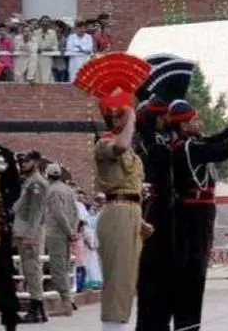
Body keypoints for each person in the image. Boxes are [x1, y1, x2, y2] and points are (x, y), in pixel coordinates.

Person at [72, 52, 155, 331]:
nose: (123, 118)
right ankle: (112, 328)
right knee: (118, 278)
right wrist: (130, 119)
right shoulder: (105, 144)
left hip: (130, 212)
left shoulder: (130, 151)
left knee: (128, 278)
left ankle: (118, 325)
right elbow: (120, 148)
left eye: (125, 112)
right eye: (118, 114)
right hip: (117, 211)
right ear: (112, 119)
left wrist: (141, 219)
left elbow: (132, 187)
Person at [168, 98, 228, 331]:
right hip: (192, 215)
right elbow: (222, 149)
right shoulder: (187, 148)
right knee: (191, 275)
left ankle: (190, 325)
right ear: (183, 126)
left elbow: (220, 137)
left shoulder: (191, 144)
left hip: (198, 214)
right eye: (194, 120)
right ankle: (186, 326)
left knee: (195, 274)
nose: (199, 122)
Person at [134, 55, 195, 331]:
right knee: (153, 272)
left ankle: (158, 321)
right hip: (155, 208)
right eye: (162, 116)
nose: (166, 119)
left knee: (163, 272)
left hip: (165, 207)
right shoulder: (149, 142)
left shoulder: (158, 139)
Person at [0, 108, 21, 331]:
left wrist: (4, 203)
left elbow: (14, 188)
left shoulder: (4, 155)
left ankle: (10, 318)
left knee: (2, 269)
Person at [12, 150, 48, 323]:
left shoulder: (36, 183)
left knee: (31, 270)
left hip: (29, 232)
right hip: (25, 230)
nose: (22, 164)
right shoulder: (29, 181)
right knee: (29, 270)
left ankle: (36, 310)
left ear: (35, 162)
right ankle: (39, 310)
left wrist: (30, 234)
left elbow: (36, 212)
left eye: (26, 161)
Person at [43, 162, 80, 315]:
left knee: (57, 268)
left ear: (47, 175)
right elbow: (76, 212)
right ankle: (69, 300)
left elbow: (58, 213)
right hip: (67, 232)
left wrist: (69, 231)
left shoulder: (51, 190)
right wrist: (73, 230)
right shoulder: (69, 190)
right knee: (64, 267)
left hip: (56, 232)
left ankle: (66, 302)